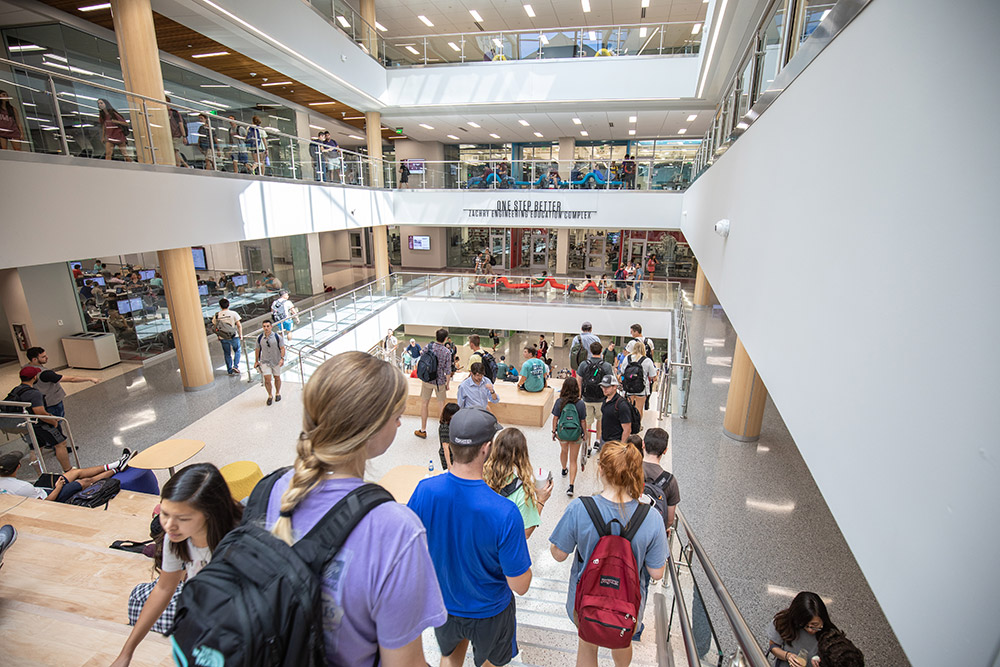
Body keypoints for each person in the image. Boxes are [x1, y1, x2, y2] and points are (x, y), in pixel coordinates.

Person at [263, 351, 446, 665]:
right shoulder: (395, 529)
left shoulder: (278, 488)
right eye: (396, 414)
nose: (401, 422)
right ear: (370, 427)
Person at [408, 407, 533, 667]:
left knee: (450, 658)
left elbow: (409, 552)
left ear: (450, 446)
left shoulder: (424, 491)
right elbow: (519, 585)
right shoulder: (504, 511)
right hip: (491, 611)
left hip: (445, 604)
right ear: (486, 448)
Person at [548, 440, 667, 667]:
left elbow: (558, 555)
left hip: (584, 600)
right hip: (628, 605)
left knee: (587, 644)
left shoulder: (580, 508)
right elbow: (657, 572)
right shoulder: (651, 518)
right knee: (623, 642)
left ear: (600, 469)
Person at [111, 464, 243, 667]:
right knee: (139, 596)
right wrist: (126, 653)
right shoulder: (176, 538)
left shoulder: (239, 543)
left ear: (210, 513)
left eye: (182, 518)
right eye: (164, 513)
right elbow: (164, 588)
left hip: (239, 625)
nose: (169, 525)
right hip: (205, 613)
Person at [485, 427, 553, 538]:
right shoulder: (522, 492)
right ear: (522, 454)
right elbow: (525, 533)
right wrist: (541, 500)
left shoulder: (480, 474)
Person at [4, 366, 76, 471]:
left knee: (35, 449)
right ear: (34, 377)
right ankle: (68, 470)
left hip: (27, 425)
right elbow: (39, 412)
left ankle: (40, 473)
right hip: (40, 425)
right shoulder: (34, 393)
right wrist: (52, 420)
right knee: (60, 444)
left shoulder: (17, 390)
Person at [0, 449, 132, 501]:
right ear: (18, 466)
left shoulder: (17, 486)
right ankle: (117, 469)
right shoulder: (22, 487)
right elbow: (44, 503)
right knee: (84, 481)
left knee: (75, 472)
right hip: (50, 496)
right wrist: (58, 487)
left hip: (38, 490)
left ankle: (115, 464)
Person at [25, 346, 99, 418]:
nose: (47, 357)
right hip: (52, 402)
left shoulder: (25, 368)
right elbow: (72, 379)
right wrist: (90, 378)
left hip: (40, 402)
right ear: (34, 359)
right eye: (43, 357)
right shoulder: (45, 373)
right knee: (56, 421)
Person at [767, 592, 837, 667]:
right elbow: (773, 646)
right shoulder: (783, 622)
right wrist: (787, 656)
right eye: (805, 625)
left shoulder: (831, 633)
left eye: (815, 625)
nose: (810, 630)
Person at [414, 328, 454, 439]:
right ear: (445, 339)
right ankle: (442, 431)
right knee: (441, 406)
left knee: (424, 404)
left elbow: (422, 355)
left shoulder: (429, 346)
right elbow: (448, 370)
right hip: (440, 381)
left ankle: (423, 430)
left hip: (427, 380)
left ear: (436, 336)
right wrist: (447, 384)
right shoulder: (446, 352)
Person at [551, 377, 586, 497]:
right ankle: (571, 486)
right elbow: (583, 421)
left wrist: (554, 431)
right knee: (573, 459)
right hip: (576, 435)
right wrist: (585, 434)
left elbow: (555, 418)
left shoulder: (560, 402)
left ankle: (564, 468)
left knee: (564, 450)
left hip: (563, 433)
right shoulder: (580, 403)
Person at [641, 428, 680, 535]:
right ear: (665, 450)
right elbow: (669, 520)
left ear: (643, 444)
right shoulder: (670, 481)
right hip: (652, 536)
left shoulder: (628, 470)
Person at [578, 340, 614, 454]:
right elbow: (610, 383)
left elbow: (579, 381)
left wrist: (579, 395)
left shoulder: (584, 364)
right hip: (601, 399)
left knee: (588, 421)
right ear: (601, 351)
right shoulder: (607, 366)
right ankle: (598, 440)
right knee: (600, 420)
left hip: (586, 397)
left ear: (590, 351)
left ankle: (587, 445)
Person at [622, 339, 657, 420]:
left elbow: (623, 372)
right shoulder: (647, 360)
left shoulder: (627, 358)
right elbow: (653, 377)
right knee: (639, 409)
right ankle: (637, 426)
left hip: (628, 388)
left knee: (628, 408)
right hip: (641, 389)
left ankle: (629, 425)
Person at [254, 319, 285, 406]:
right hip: (265, 361)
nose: (266, 328)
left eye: (268, 326)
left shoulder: (277, 337)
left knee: (277, 378)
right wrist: (256, 361)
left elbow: (282, 348)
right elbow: (257, 349)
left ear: (271, 327)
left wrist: (282, 358)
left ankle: (278, 392)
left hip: (276, 361)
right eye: (264, 326)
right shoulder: (259, 338)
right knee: (267, 380)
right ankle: (270, 395)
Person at [211, 298, 243, 376]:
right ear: (228, 305)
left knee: (227, 353)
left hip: (223, 337)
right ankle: (235, 366)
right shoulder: (233, 313)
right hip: (233, 336)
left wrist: (218, 335)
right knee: (237, 350)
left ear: (220, 306)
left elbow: (216, 327)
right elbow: (239, 325)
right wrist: (240, 334)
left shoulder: (217, 315)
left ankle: (229, 370)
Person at [599, 375, 632, 445]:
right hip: (604, 439)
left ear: (615, 387)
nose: (604, 389)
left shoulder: (621, 405)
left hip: (615, 442)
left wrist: (621, 446)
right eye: (602, 386)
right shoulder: (605, 399)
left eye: (607, 387)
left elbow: (627, 429)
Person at [164, 96, 189, 167]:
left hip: (177, 135)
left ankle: (178, 166)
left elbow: (180, 124)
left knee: (175, 151)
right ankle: (186, 165)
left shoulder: (174, 113)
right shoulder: (164, 113)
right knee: (175, 151)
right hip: (170, 136)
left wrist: (184, 136)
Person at [438, 402, 459, 470]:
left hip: (455, 454)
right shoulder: (445, 428)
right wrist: (449, 465)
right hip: (448, 457)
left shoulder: (453, 423)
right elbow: (445, 446)